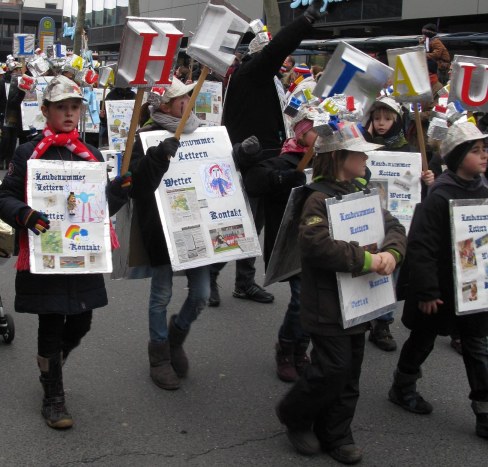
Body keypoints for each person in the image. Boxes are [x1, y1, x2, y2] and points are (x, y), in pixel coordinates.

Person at [0, 75, 130, 429]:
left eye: (75, 107)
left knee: (82, 321)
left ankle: (50, 361)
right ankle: (53, 395)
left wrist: (119, 190)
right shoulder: (28, 152)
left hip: (83, 255)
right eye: (62, 107)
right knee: (52, 322)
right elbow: (4, 196)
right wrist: (25, 214)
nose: (70, 113)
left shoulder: (91, 155)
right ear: (45, 111)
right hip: (46, 254)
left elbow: (100, 208)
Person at [276, 122, 407, 464]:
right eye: (359, 152)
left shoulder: (362, 191)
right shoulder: (317, 198)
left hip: (361, 301)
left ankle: (336, 432)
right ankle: (295, 414)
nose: (365, 157)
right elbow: (316, 245)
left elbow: (393, 226)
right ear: (339, 157)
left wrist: (392, 253)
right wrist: (367, 259)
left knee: (349, 373)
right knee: (332, 368)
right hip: (326, 303)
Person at [209, 0, 327, 307]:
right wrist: (306, 20)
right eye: (275, 55)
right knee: (243, 226)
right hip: (253, 160)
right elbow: (276, 51)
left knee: (255, 225)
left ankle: (243, 282)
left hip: (268, 158)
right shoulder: (252, 73)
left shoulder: (265, 79)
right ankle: (209, 276)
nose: (283, 60)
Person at [389, 121, 488, 439]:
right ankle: (403, 386)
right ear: (458, 156)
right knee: (422, 340)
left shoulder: (484, 189)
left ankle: (484, 410)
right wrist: (428, 290)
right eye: (475, 151)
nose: (484, 155)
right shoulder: (439, 195)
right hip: (439, 288)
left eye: (485, 149)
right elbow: (421, 246)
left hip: (472, 290)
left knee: (477, 346)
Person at [129, 77, 209, 391]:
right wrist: (158, 155)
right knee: (161, 295)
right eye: (181, 100)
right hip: (163, 228)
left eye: (189, 99)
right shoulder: (146, 136)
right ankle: (159, 355)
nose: (187, 104)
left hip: (199, 224)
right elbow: (136, 183)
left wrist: (241, 154)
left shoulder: (204, 133)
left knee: (201, 293)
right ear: (165, 105)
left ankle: (176, 336)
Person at [244, 108, 316, 382]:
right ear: (300, 133)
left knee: (314, 300)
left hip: (322, 243)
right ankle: (286, 347)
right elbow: (254, 181)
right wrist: (284, 178)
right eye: (313, 130)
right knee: (301, 299)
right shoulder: (285, 162)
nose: (320, 136)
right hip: (292, 245)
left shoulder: (331, 161)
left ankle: (301, 349)